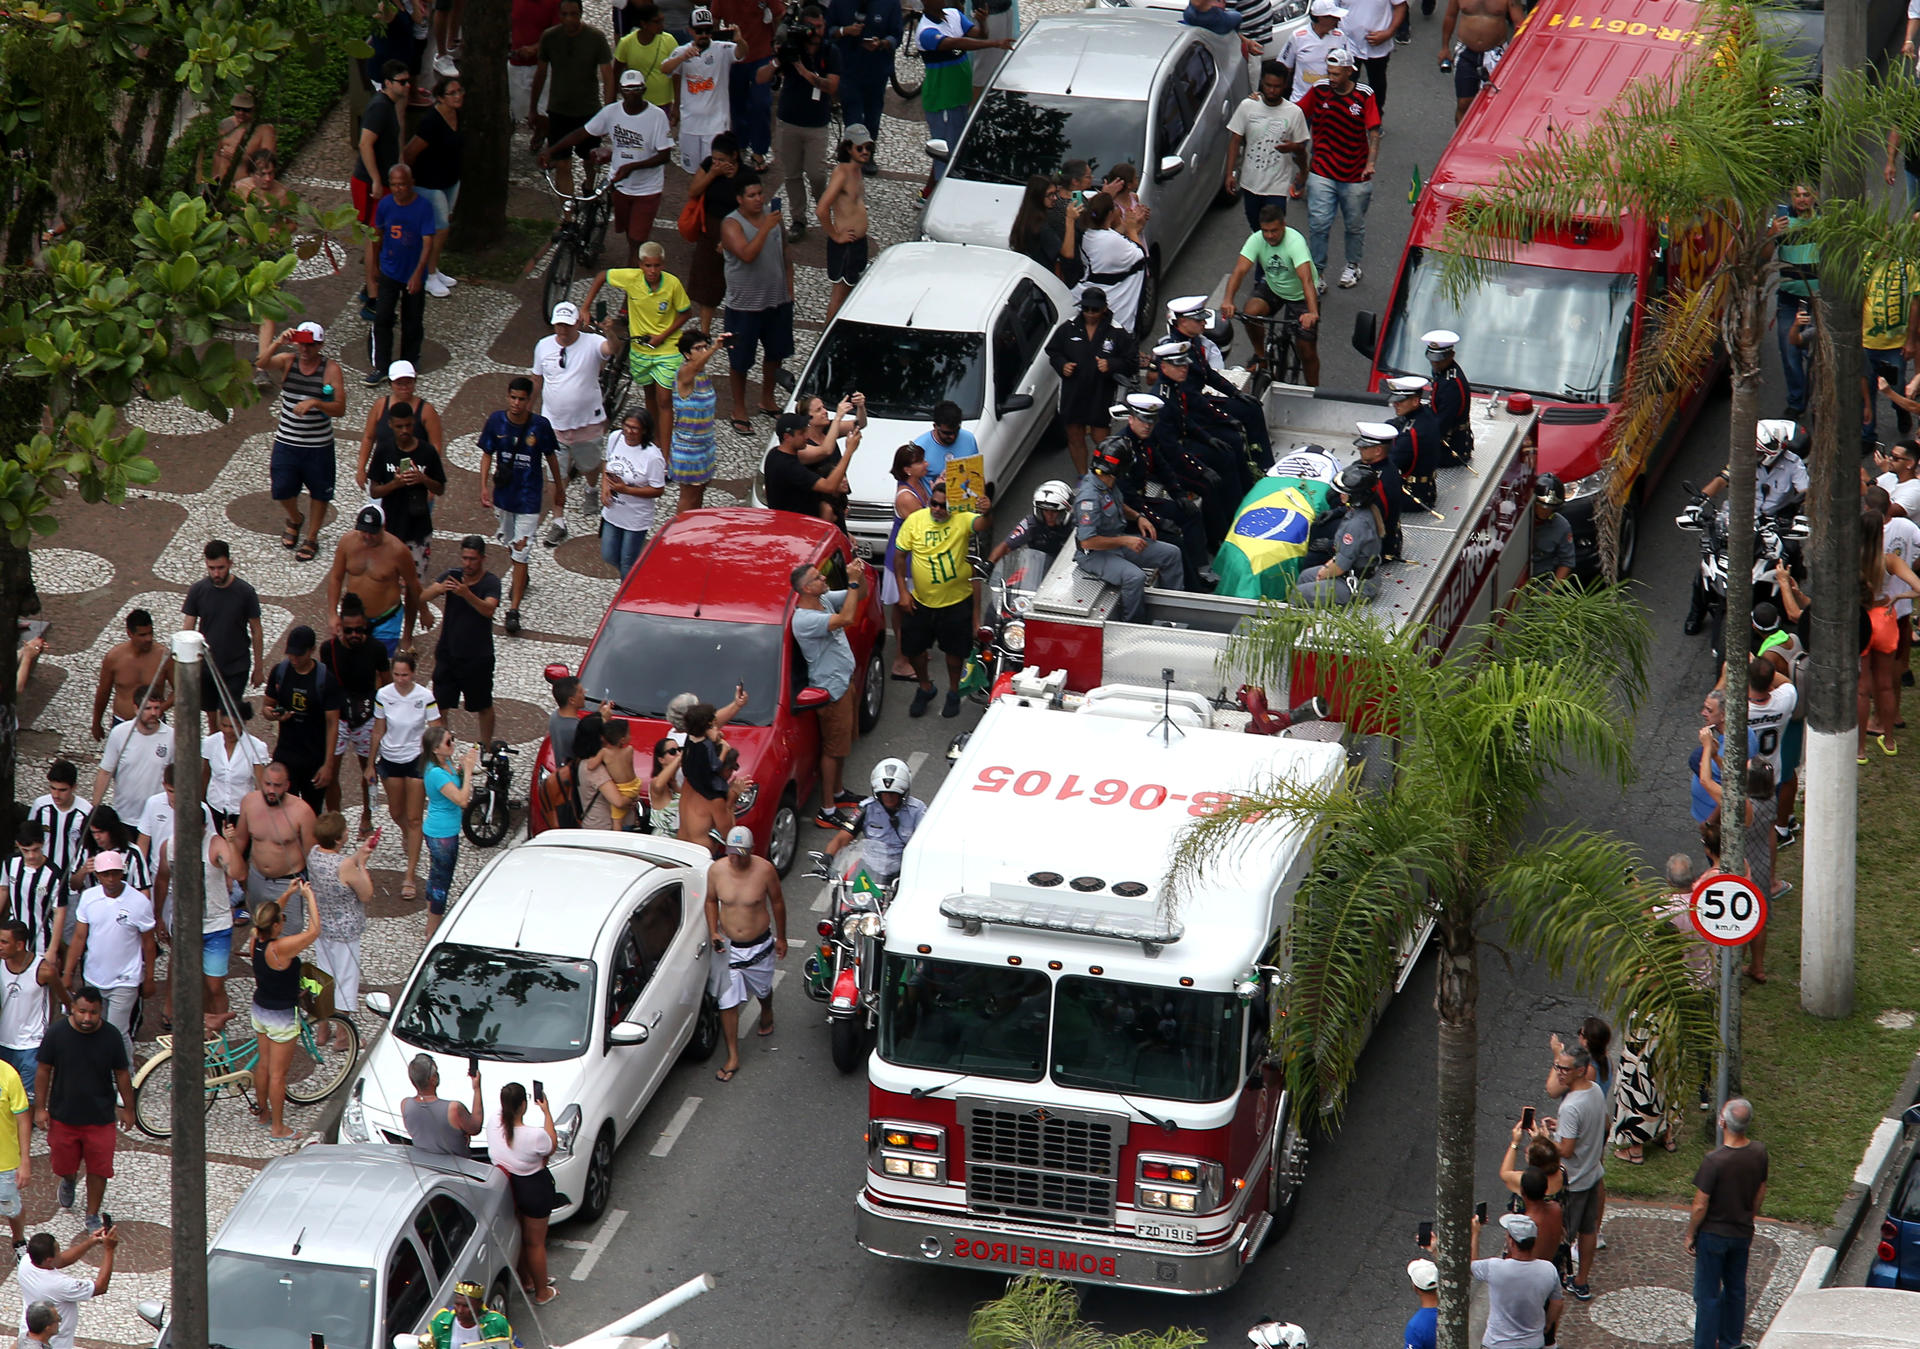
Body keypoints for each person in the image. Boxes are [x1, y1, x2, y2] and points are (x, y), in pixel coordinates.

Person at [546, 70, 675, 268]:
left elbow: (664, 155)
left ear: (644, 90)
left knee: (636, 241)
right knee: (626, 232)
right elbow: (583, 133)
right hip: (619, 186)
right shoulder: (611, 112)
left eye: (637, 89)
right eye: (627, 90)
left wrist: (633, 166)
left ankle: (632, 287)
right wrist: (551, 150)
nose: (632, 94)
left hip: (647, 189)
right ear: (621, 91)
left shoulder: (657, 116)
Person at [34, 987, 134, 1233]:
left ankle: (92, 1214)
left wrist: (129, 1108)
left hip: (100, 1118)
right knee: (64, 1166)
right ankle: (69, 1181)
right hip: (63, 1116)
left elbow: (121, 1073)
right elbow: (44, 1070)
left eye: (93, 1013)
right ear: (73, 1009)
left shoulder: (111, 1036)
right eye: (82, 1012)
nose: (87, 1018)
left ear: (101, 1011)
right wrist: (40, 1108)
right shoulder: (57, 1033)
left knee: (99, 1169)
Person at [252, 320, 348, 563]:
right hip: (287, 440)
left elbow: (340, 408)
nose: (305, 350)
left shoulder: (331, 370)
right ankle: (295, 518)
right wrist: (277, 342)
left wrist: (316, 403)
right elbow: (261, 363)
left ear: (320, 345)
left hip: (318, 445)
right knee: (281, 489)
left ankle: (312, 537)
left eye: (311, 346)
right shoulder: (288, 361)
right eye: (302, 345)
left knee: (320, 493)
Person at [895, 481, 991, 719]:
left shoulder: (962, 518)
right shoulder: (915, 520)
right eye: (933, 504)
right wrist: (902, 592)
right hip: (921, 602)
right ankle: (925, 687)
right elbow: (899, 557)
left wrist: (988, 510)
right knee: (914, 650)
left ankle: (953, 691)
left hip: (956, 601)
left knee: (954, 653)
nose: (937, 509)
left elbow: (982, 524)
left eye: (943, 506)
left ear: (953, 507)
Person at [479, 376, 566, 634]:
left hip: (529, 499)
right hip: (504, 496)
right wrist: (483, 486)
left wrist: (558, 488)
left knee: (521, 549)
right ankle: (522, 574)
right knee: (510, 543)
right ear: (508, 396)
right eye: (513, 398)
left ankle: (513, 609)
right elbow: (486, 453)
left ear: (530, 400)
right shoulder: (496, 421)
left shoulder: (540, 426)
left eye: (522, 399)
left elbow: (551, 456)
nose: (517, 403)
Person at [585, 247, 694, 446]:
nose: (652, 270)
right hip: (640, 349)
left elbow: (686, 313)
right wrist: (585, 307)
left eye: (657, 265)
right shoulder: (631, 278)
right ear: (640, 265)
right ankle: (654, 441)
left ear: (664, 264)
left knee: (664, 400)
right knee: (650, 396)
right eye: (648, 266)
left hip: (668, 349)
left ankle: (665, 455)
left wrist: (662, 336)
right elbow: (602, 276)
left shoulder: (672, 284)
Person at [530, 301, 617, 546]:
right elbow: (537, 380)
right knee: (555, 475)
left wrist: (609, 331)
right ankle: (558, 521)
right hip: (553, 425)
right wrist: (526, 412)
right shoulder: (543, 346)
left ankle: (591, 489)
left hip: (587, 421)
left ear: (578, 323)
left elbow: (611, 349)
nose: (562, 329)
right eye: (558, 324)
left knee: (590, 464)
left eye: (567, 325)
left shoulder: (591, 343)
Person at [705, 825, 787, 1081]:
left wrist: (782, 937)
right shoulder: (717, 870)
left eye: (741, 853)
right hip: (728, 947)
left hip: (759, 945)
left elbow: (777, 902)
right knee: (727, 1001)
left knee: (762, 989)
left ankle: (766, 1010)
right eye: (731, 852)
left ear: (751, 851)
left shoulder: (764, 870)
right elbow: (709, 900)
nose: (735, 858)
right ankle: (732, 1056)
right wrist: (713, 931)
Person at [1073, 441, 1186, 624]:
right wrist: (1126, 541)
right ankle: (1133, 625)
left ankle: (1173, 616)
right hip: (1094, 554)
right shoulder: (1089, 498)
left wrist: (1138, 517)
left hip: (1116, 542)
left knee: (1171, 554)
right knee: (1135, 577)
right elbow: (1087, 541)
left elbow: (1117, 504)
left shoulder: (1106, 481)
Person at [790, 558, 869, 819]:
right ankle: (827, 810)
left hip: (843, 683)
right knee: (832, 751)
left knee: (842, 746)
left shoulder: (823, 600)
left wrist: (860, 574)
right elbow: (847, 617)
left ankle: (838, 793)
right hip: (830, 690)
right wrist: (853, 580)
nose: (824, 578)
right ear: (806, 589)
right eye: (817, 578)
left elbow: (860, 595)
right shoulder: (805, 619)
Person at [1688, 1098, 1769, 1349]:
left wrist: (1691, 1234)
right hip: (1741, 1232)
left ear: (1722, 1122)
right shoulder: (1759, 1153)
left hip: (1712, 1235)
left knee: (1708, 1296)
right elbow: (1761, 1190)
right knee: (1735, 1290)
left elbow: (1700, 1204)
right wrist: (1748, 1217)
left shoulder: (1714, 1161)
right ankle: (1731, 1342)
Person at [149, 812, 237, 1034]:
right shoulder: (169, 847)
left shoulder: (215, 844)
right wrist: (158, 916)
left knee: (214, 985)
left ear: (205, 826)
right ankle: (176, 1012)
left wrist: (232, 844)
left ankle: (216, 1032)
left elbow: (238, 872)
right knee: (181, 974)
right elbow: (162, 879)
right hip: (185, 925)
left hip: (216, 925)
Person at [1299, 48, 1379, 291]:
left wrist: (1370, 163)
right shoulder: (1319, 89)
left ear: (1348, 71)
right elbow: (1297, 111)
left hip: (1355, 174)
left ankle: (1352, 265)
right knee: (1319, 223)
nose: (1331, 78)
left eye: (1336, 74)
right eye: (1329, 72)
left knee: (1354, 224)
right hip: (1322, 169)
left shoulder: (1365, 95)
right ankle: (1318, 273)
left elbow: (1374, 132)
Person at [720, 177, 795, 433]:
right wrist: (766, 227)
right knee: (739, 359)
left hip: (776, 301)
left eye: (760, 193)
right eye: (751, 195)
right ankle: (738, 408)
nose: (758, 199)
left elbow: (784, 250)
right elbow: (747, 254)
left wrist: (790, 286)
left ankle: (767, 398)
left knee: (776, 353)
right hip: (744, 306)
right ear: (740, 198)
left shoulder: (772, 217)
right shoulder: (731, 224)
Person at [248, 884, 322, 1140]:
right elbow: (314, 931)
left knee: (263, 1065)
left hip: (260, 1009)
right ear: (277, 926)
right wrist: (309, 897)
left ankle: (263, 1113)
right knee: (278, 1075)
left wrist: (288, 894)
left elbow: (269, 915)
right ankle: (279, 1127)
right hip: (281, 1014)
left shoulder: (255, 938)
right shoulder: (281, 949)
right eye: (281, 920)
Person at [370, 651, 443, 903]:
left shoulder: (425, 697)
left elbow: (436, 729)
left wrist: (440, 761)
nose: (401, 679)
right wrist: (370, 763)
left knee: (414, 818)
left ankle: (409, 875)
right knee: (395, 811)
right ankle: (409, 834)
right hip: (390, 758)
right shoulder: (383, 695)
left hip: (416, 760)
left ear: (414, 673)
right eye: (397, 674)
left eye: (406, 674)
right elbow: (378, 729)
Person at [1220, 205, 1322, 385]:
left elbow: (1306, 280)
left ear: (1284, 225)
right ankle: (1262, 357)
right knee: (1251, 313)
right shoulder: (1256, 239)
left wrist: (1312, 313)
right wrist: (1228, 300)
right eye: (1265, 231)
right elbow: (1239, 271)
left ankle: (1313, 392)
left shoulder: (1294, 242)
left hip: (1300, 294)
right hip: (1274, 287)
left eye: (1274, 231)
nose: (1269, 236)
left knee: (1306, 350)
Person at [916, 0, 1011, 190]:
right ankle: (939, 193)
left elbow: (979, 36)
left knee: (958, 147)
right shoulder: (925, 31)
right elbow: (957, 43)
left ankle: (940, 189)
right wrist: (995, 43)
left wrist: (982, 23)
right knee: (943, 151)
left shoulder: (953, 14)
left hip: (960, 95)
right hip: (942, 99)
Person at [62, 854, 154, 1049]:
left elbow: (148, 943)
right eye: (105, 874)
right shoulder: (89, 898)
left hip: (125, 979)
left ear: (122, 873)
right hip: (94, 977)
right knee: (92, 1029)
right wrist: (68, 973)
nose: (111, 879)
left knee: (117, 1032)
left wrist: (149, 978)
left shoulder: (139, 902)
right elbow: (79, 938)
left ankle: (124, 1075)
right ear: (97, 875)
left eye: (115, 874)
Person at [1047, 288, 1139, 477]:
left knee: (1101, 438)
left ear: (1104, 308)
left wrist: (1111, 364)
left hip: (1101, 392)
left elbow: (1132, 362)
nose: (1089, 313)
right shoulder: (1068, 328)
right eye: (1086, 309)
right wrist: (1062, 365)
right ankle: (1083, 476)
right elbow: (1053, 352)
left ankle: (1106, 474)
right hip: (1073, 391)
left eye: (1094, 309)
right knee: (1074, 434)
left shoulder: (1117, 332)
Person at [531, 0, 617, 198]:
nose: (569, 19)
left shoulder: (596, 38)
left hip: (588, 111)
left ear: (581, 13)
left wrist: (609, 112)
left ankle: (589, 183)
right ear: (559, 15)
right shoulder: (550, 37)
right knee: (562, 163)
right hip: (558, 111)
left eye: (574, 14)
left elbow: (608, 75)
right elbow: (541, 73)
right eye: (565, 14)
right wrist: (533, 108)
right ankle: (568, 215)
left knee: (590, 159)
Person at [321, 596, 393, 833]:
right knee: (331, 771)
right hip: (338, 718)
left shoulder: (376, 649)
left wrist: (384, 718)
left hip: (367, 716)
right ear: (340, 627)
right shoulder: (328, 649)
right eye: (349, 630)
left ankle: (367, 814)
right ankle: (335, 820)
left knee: (369, 770)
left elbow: (387, 684)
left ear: (366, 626)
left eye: (359, 630)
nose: (354, 634)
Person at [424, 536, 503, 747]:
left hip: (478, 657)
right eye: (465, 558)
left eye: (473, 559)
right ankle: (444, 745)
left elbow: (488, 610)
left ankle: (486, 748)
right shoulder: (453, 575)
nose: (467, 564)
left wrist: (466, 594)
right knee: (440, 704)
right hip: (448, 652)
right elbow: (422, 596)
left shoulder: (491, 582)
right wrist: (438, 590)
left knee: (483, 705)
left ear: (483, 559)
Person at [487, 1081, 561, 1304]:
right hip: (534, 1189)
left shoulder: (493, 1123)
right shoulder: (534, 1135)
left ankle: (527, 1281)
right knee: (535, 1243)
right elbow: (552, 1145)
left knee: (520, 1237)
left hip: (507, 1186)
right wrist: (546, 1112)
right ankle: (542, 1292)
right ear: (523, 1105)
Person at [1545, 1041, 1606, 1301]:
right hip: (1593, 1173)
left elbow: (1566, 1150)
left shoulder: (1570, 1106)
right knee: (1589, 1230)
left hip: (1574, 1181)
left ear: (1581, 1070)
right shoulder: (1594, 1091)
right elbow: (1598, 1124)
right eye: (1558, 1066)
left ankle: (1550, 1287)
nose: (1560, 1073)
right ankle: (1581, 1281)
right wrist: (1563, 1128)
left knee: (1560, 1237)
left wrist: (1545, 1139)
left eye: (1565, 1069)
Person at [229, 761, 318, 938]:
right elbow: (240, 839)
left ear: (287, 785)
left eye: (277, 785)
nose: (271, 790)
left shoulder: (302, 811)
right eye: (268, 784)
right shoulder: (249, 802)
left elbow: (312, 854)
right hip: (257, 878)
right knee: (260, 929)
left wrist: (315, 890)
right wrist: (230, 871)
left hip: (288, 882)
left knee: (288, 934)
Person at [306, 813, 374, 1046]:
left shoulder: (314, 854)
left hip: (321, 927)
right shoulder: (345, 865)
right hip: (345, 931)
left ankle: (322, 1032)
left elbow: (341, 863)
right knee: (345, 980)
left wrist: (359, 853)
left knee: (323, 976)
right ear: (338, 839)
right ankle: (343, 1037)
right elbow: (366, 894)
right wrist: (362, 865)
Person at [182, 540, 265, 730]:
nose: (216, 573)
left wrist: (259, 667)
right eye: (211, 568)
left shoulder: (245, 592)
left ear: (230, 563)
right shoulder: (198, 590)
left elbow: (256, 630)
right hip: (207, 666)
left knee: (228, 718)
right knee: (212, 720)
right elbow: (188, 628)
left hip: (236, 666)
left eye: (220, 567)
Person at [352, 61, 413, 315]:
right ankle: (372, 296)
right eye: (402, 81)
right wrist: (377, 179)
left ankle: (372, 286)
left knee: (382, 235)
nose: (407, 85)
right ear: (387, 83)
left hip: (383, 181)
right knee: (374, 237)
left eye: (408, 81)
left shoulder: (388, 106)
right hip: (370, 182)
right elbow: (365, 144)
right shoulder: (379, 107)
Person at [263, 624, 344, 811]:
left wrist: (328, 764)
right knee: (282, 810)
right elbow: (267, 706)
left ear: (312, 651)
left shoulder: (326, 680)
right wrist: (272, 714)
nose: (294, 658)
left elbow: (333, 724)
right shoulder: (280, 672)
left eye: (299, 654)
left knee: (310, 811)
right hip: (286, 754)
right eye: (290, 654)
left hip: (313, 758)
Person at [370, 163, 437, 384]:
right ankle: (382, 366)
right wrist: (375, 264)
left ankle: (409, 361)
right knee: (383, 317)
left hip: (412, 273)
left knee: (413, 319)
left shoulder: (424, 208)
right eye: (394, 185)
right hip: (390, 270)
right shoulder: (385, 205)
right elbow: (377, 234)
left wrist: (419, 273)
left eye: (403, 185)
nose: (399, 189)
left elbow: (428, 242)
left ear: (411, 184)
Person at [364, 400, 448, 575]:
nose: (404, 431)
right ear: (391, 425)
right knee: (387, 578)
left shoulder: (427, 452)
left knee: (415, 584)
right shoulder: (384, 451)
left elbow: (440, 488)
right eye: (399, 426)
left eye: (408, 425)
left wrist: (422, 479)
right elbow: (374, 490)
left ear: (414, 423)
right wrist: (395, 484)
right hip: (390, 528)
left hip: (418, 528)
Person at [1225, 61, 1310, 233]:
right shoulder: (1248, 106)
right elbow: (1235, 140)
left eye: (1277, 86)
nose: (1272, 90)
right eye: (1268, 85)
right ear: (1262, 83)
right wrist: (1229, 174)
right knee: (1257, 230)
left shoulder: (1294, 113)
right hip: (1250, 183)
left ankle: (1267, 259)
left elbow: (1301, 149)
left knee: (1272, 230)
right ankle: (1263, 259)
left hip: (1277, 186)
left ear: (1284, 85)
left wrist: (1302, 168)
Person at [402, 76, 465, 296]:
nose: (458, 96)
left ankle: (434, 269)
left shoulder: (458, 115)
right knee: (440, 229)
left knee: (443, 224)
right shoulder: (431, 122)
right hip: (429, 183)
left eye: (459, 91)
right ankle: (427, 275)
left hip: (450, 180)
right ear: (440, 98)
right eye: (452, 93)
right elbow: (410, 152)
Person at [818, 757, 925, 884]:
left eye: (893, 794)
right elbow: (842, 839)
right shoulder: (865, 808)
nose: (888, 798)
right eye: (884, 793)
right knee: (843, 894)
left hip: (903, 872)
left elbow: (927, 844)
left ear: (903, 793)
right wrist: (827, 858)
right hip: (870, 870)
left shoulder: (918, 811)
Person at [1469, 1212, 1563, 1349]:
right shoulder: (1549, 1269)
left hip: (1496, 1344)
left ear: (1511, 1242)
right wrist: (1548, 1324)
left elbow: (1471, 1265)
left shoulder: (1494, 1267)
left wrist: (1475, 1233)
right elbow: (1557, 1303)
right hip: (1533, 1343)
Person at [1294, 462, 1384, 605]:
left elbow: (1341, 566)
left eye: (1345, 492)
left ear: (1356, 496)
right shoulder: (1361, 511)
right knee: (1305, 577)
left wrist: (1324, 573)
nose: (1341, 495)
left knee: (1296, 595)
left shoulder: (1357, 524)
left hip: (1357, 585)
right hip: (1351, 573)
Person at [17, 1229, 119, 1349]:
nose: (60, 1253)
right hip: (56, 1343)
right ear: (48, 1260)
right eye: (58, 1250)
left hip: (28, 1335)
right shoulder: (61, 1285)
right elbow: (101, 1287)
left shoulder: (26, 1261)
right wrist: (109, 1249)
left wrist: (91, 1241)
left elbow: (60, 1260)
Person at [665, 12, 740, 175]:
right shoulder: (682, 52)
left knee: (717, 173)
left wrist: (740, 40)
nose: (704, 35)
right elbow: (665, 69)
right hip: (690, 126)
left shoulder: (722, 49)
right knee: (693, 172)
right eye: (699, 31)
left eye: (708, 30)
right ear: (690, 30)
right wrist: (682, 57)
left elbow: (741, 54)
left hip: (716, 126)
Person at [827, 0, 900, 165]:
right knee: (852, 114)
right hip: (848, 69)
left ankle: (867, 154)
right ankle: (854, 155)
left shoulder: (890, 4)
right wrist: (844, 31)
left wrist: (882, 43)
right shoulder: (839, 3)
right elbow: (827, 30)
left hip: (877, 71)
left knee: (873, 116)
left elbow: (897, 35)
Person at [355, 361, 447, 492]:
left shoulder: (427, 411)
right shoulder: (380, 406)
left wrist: (429, 479)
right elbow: (369, 438)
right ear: (390, 384)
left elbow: (435, 447)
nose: (404, 387)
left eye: (408, 382)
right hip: (384, 473)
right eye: (399, 383)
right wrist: (361, 469)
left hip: (415, 475)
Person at [599, 409, 669, 576]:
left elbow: (658, 489)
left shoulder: (653, 457)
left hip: (636, 518)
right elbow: (607, 464)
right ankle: (638, 578)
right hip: (613, 512)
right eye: (627, 426)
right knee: (608, 555)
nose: (629, 432)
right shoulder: (615, 438)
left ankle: (626, 595)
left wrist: (627, 490)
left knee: (627, 562)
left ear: (644, 430)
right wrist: (604, 487)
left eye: (635, 428)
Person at [714, 0, 784, 168]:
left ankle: (759, 151)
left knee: (761, 103)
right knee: (736, 105)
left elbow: (779, 15)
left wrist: (779, 44)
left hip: (762, 54)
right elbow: (714, 21)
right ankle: (740, 144)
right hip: (735, 56)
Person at [421, 727, 478, 935]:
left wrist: (463, 770)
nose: (452, 744)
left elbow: (460, 789)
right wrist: (469, 770)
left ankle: (431, 922)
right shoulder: (436, 773)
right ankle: (433, 931)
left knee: (436, 875)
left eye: (452, 739)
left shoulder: (445, 765)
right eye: (448, 742)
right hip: (442, 834)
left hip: (444, 830)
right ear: (436, 749)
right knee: (441, 883)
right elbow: (462, 800)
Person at [1071, 194, 1150, 334]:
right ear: (1110, 213)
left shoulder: (1089, 234)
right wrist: (1132, 229)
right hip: (1117, 306)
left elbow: (1117, 240)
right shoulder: (1110, 240)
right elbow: (1140, 255)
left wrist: (1131, 227)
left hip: (1093, 293)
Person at [90, 609, 172, 744]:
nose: (149, 639)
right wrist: (96, 722)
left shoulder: (164, 657)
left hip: (154, 723)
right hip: (123, 721)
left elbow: (180, 690)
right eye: (143, 635)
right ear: (129, 633)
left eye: (151, 633)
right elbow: (103, 691)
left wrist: (158, 709)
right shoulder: (114, 658)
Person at [818, 126, 873, 323]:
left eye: (868, 148)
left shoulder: (857, 172)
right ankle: (825, 341)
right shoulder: (841, 174)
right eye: (860, 148)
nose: (865, 152)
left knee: (851, 294)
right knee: (839, 295)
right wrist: (835, 235)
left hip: (858, 243)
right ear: (849, 148)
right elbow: (822, 208)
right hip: (845, 246)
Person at [1772, 185, 1817, 420]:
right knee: (1790, 351)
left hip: (1818, 300)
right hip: (1790, 299)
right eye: (1797, 195)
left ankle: (1819, 401)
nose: (1801, 200)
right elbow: (1761, 257)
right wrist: (1771, 234)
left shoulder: (1823, 220)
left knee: (1818, 355)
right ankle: (1797, 401)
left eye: (1806, 195)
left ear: (1814, 197)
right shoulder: (1782, 220)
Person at [1440, 0, 1525, 124]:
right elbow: (1450, 16)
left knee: (1493, 104)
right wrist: (1445, 47)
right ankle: (1461, 141)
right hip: (1465, 52)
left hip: (1495, 54)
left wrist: (1516, 54)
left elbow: (1520, 24)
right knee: (1464, 103)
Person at [765, 409, 859, 519]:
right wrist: (849, 451)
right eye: (802, 433)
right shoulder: (789, 467)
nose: (807, 437)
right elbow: (829, 487)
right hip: (799, 528)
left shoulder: (774, 454)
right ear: (787, 437)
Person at [91, 693, 172, 817]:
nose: (154, 713)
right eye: (148, 708)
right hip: (124, 814)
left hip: (157, 817)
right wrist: (94, 811)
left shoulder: (172, 737)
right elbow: (106, 772)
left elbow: (177, 777)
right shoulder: (119, 733)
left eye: (157, 708)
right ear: (136, 709)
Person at [0, 920, 53, 1103]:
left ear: (20, 945)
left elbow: (61, 996)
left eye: (4, 942)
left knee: (26, 1100)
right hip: (4, 1042)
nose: (0, 946)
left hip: (32, 1044)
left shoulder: (44, 970)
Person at [2, 823, 69, 961]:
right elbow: (3, 890)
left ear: (43, 844)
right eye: (26, 850)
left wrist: (52, 949)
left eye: (36, 849)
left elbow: (59, 913)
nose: (31, 856)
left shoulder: (55, 874)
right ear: (18, 845)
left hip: (42, 940)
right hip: (13, 937)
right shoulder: (10, 863)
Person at [403, 1051, 484, 1156]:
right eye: (436, 1073)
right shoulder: (453, 1108)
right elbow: (475, 1127)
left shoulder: (405, 1105)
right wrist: (477, 1088)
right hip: (458, 1169)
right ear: (433, 1079)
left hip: (424, 1166)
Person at [988, 479, 1074, 567]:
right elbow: (1005, 546)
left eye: (1054, 511)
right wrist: (989, 564)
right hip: (1038, 570)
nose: (1049, 516)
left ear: (1065, 511)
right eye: (1045, 510)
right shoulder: (1031, 524)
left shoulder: (1076, 524)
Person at [615, 3, 680, 118]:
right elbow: (616, 74)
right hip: (635, 103)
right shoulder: (626, 43)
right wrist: (612, 106)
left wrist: (676, 106)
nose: (662, 25)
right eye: (656, 22)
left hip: (663, 104)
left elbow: (677, 75)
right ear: (644, 24)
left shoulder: (669, 40)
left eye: (662, 21)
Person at [1009, 176, 1077, 285]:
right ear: (1038, 197)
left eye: (1056, 193)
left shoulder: (1025, 219)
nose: (1055, 198)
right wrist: (1070, 219)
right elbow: (1068, 253)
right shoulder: (1041, 226)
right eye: (1050, 194)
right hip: (1042, 282)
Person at [1338, 0, 1404, 109]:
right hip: (1347, 44)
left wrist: (1389, 33)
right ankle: (1346, 117)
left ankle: (1375, 118)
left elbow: (1400, 6)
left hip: (1377, 47)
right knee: (1346, 83)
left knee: (1377, 84)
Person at [1280, 0, 1348, 105]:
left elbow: (1347, 69)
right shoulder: (1298, 36)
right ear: (1321, 18)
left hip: (1330, 102)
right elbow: (1284, 67)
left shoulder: (1340, 37)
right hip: (1301, 100)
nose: (1338, 19)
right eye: (1334, 17)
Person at [203, 87, 277, 183]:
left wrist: (240, 156)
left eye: (246, 110)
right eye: (237, 108)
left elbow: (268, 164)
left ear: (254, 108)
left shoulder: (265, 130)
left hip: (247, 186)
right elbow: (217, 155)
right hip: (223, 185)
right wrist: (213, 182)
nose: (240, 113)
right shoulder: (226, 124)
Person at [512, 0, 563, 131]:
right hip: (515, 63)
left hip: (544, 65)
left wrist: (534, 48)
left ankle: (541, 134)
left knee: (543, 111)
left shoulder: (555, 3)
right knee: (515, 109)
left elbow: (558, 34)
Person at [421, 1282, 515, 1348]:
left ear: (479, 1304)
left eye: (466, 1306)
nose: (460, 1310)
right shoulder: (440, 1320)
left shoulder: (497, 1322)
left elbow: (516, 1346)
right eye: (457, 1304)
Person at [914, 400, 978, 483]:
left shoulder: (969, 439)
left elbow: (977, 473)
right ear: (935, 426)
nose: (952, 436)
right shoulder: (920, 447)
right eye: (947, 433)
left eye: (956, 431)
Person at [1531, 473, 1574, 583]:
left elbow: (1566, 562)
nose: (1545, 510)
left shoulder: (1562, 527)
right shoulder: (1520, 520)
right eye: (1541, 506)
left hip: (1540, 583)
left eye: (1550, 508)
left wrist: (1550, 593)